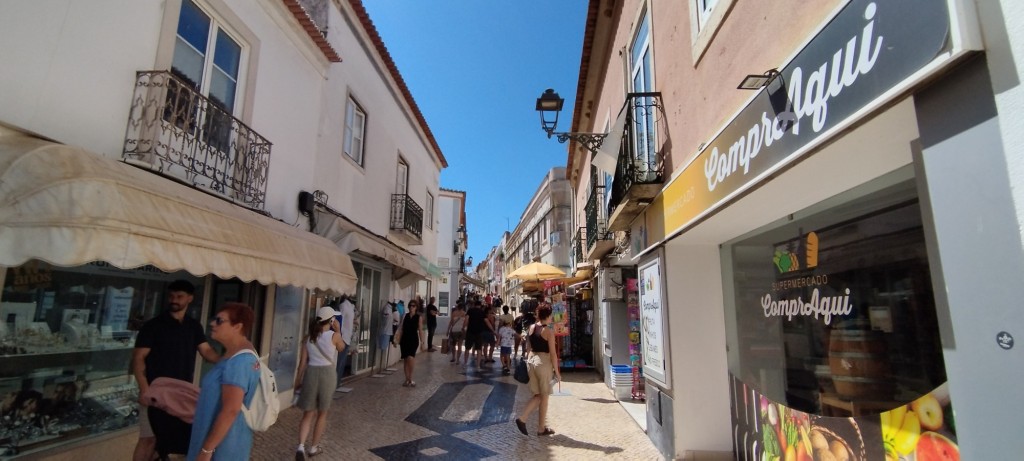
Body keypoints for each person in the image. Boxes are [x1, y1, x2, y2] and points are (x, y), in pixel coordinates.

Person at [133, 280, 220, 461]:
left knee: (171, 440)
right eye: (172, 296)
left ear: (190, 298)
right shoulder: (153, 326)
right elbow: (139, 358)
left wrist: (228, 361)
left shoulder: (194, 326)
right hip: (155, 392)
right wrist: (144, 389)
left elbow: (206, 351)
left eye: (179, 296)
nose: (174, 300)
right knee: (148, 438)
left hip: (181, 394)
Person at [187, 302, 261, 460]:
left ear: (237, 327)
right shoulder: (234, 355)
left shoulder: (239, 362)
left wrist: (206, 451)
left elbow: (230, 410)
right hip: (224, 440)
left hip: (224, 447)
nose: (212, 323)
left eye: (219, 321)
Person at [295, 306, 347, 459]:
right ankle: (313, 448)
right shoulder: (334, 336)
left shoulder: (308, 337)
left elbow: (302, 364)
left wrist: (297, 382)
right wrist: (339, 330)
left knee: (308, 413)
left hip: (311, 373)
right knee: (322, 414)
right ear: (331, 320)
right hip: (327, 374)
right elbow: (342, 348)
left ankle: (300, 446)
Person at [514, 304, 561, 437]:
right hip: (543, 363)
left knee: (540, 395)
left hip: (531, 362)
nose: (551, 317)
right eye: (551, 315)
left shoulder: (531, 328)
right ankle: (523, 418)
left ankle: (541, 428)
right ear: (548, 315)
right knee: (542, 395)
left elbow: (528, 347)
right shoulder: (548, 331)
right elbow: (553, 354)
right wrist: (557, 372)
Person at [396, 299, 424, 387]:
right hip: (405, 340)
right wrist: (397, 339)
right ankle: (407, 379)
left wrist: (422, 342)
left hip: (413, 340)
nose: (411, 307)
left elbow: (420, 330)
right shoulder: (405, 316)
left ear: (416, 308)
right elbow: (401, 329)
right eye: (410, 306)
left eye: (413, 306)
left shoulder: (418, 317)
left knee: (410, 358)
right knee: (405, 360)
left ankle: (410, 378)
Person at [335, 296, 355, 390]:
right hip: (343, 337)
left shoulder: (351, 307)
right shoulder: (344, 306)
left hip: (347, 337)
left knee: (342, 362)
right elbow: (340, 321)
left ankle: (338, 382)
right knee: (339, 361)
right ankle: (335, 383)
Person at [462, 300, 485, 367]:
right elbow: (486, 321)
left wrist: (464, 327)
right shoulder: (482, 312)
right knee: (479, 349)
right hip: (479, 332)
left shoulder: (470, 310)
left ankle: (465, 363)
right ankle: (478, 365)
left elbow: (466, 319)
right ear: (480, 305)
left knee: (467, 348)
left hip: (470, 331)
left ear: (474, 305)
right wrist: (493, 331)